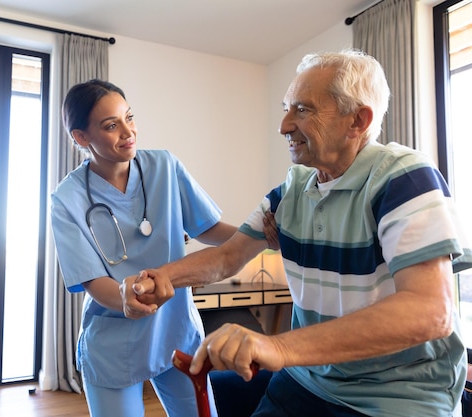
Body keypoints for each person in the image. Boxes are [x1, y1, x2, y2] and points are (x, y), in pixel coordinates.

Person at [123, 49, 472, 416]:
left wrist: (279, 348)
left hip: (396, 395)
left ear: (357, 121)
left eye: (302, 110)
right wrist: (158, 277)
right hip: (307, 380)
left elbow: (429, 310)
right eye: (286, 108)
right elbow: (229, 255)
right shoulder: (292, 189)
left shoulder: (402, 177)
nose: (284, 125)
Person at [50, 79, 237, 417]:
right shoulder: (67, 199)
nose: (128, 131)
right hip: (113, 342)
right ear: (81, 137)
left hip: (175, 329)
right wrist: (124, 297)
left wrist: (262, 235)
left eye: (129, 117)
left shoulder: (164, 166)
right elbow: (92, 281)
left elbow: (208, 229)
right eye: (111, 125)